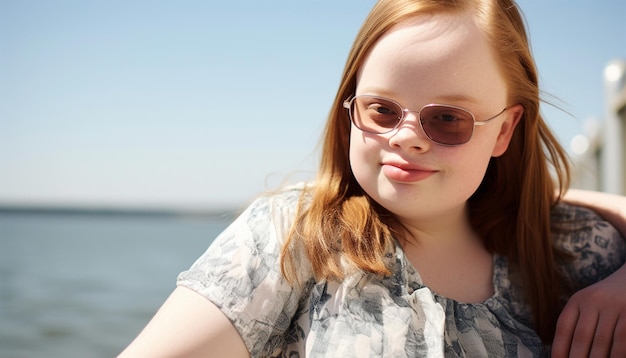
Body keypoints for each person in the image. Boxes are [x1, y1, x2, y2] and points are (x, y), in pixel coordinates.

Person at [118, 0, 626, 357]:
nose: (407, 137)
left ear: (505, 130)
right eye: (382, 110)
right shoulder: (294, 237)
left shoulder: (576, 253)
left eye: (447, 119)